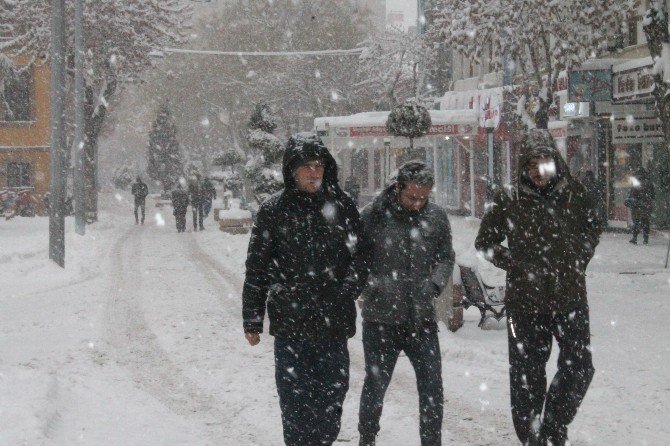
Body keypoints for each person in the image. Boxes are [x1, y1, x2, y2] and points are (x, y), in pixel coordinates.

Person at [475, 129, 602, 446]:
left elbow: (592, 229)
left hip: (570, 298)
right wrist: (514, 262)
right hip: (524, 303)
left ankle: (553, 428)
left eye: (543, 161)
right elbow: (485, 243)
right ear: (523, 167)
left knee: (580, 368)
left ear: (555, 162)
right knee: (525, 377)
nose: (538, 170)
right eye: (531, 164)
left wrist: (578, 259)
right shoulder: (509, 199)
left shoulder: (575, 194)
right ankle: (532, 437)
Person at [242, 135, 369, 446]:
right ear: (292, 171)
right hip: (291, 326)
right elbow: (257, 267)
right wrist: (252, 319)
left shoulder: (342, 205)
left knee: (331, 405)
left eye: (319, 165)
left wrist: (348, 288)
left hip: (333, 324)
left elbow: (363, 254)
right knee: (296, 409)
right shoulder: (273, 210)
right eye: (307, 167)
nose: (314, 172)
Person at [357, 161, 455, 446]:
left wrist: (435, 285)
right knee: (376, 384)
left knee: (432, 387)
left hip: (421, 318)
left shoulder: (436, 218)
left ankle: (431, 441)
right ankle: (367, 438)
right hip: (380, 319)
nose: (417, 203)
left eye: (423, 198)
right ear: (397, 188)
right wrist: (371, 288)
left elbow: (445, 257)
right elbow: (356, 258)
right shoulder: (374, 216)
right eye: (412, 196)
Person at [626, 167, 655, 245]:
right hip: (646, 206)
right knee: (646, 222)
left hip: (637, 206)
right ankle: (645, 239)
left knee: (636, 222)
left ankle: (634, 238)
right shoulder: (649, 183)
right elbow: (653, 195)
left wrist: (632, 200)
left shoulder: (636, 183)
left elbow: (632, 194)